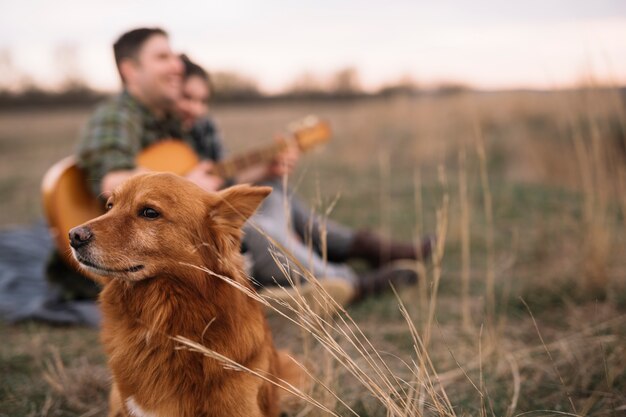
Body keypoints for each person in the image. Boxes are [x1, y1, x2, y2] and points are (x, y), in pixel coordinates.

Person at [176, 54, 434, 304]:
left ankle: (355, 248)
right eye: (187, 98)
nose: (196, 109)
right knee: (254, 225)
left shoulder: (200, 127)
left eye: (202, 101)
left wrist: (266, 168)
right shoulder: (151, 130)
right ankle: (348, 282)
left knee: (271, 189)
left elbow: (222, 180)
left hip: (213, 218)